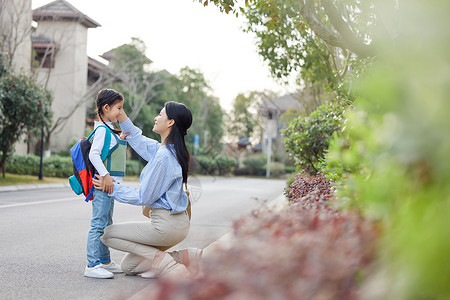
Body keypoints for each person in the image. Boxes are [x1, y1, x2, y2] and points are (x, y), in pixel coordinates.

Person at [92, 101, 203, 278]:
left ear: (170, 122)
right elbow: (136, 137)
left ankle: (165, 263)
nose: (155, 117)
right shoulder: (168, 150)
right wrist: (119, 111)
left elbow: (144, 197)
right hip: (179, 224)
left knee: (107, 235)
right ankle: (186, 257)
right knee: (130, 266)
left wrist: (112, 188)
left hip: (165, 226)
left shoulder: (164, 157)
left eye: (160, 114)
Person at [84, 89, 127, 279]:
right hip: (103, 185)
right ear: (106, 107)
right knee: (99, 224)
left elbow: (108, 151)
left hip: (109, 187)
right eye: (118, 108)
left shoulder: (108, 130)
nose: (120, 112)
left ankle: (105, 261)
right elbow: (94, 154)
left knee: (106, 223)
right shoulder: (102, 130)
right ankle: (92, 265)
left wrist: (121, 139)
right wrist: (106, 175)